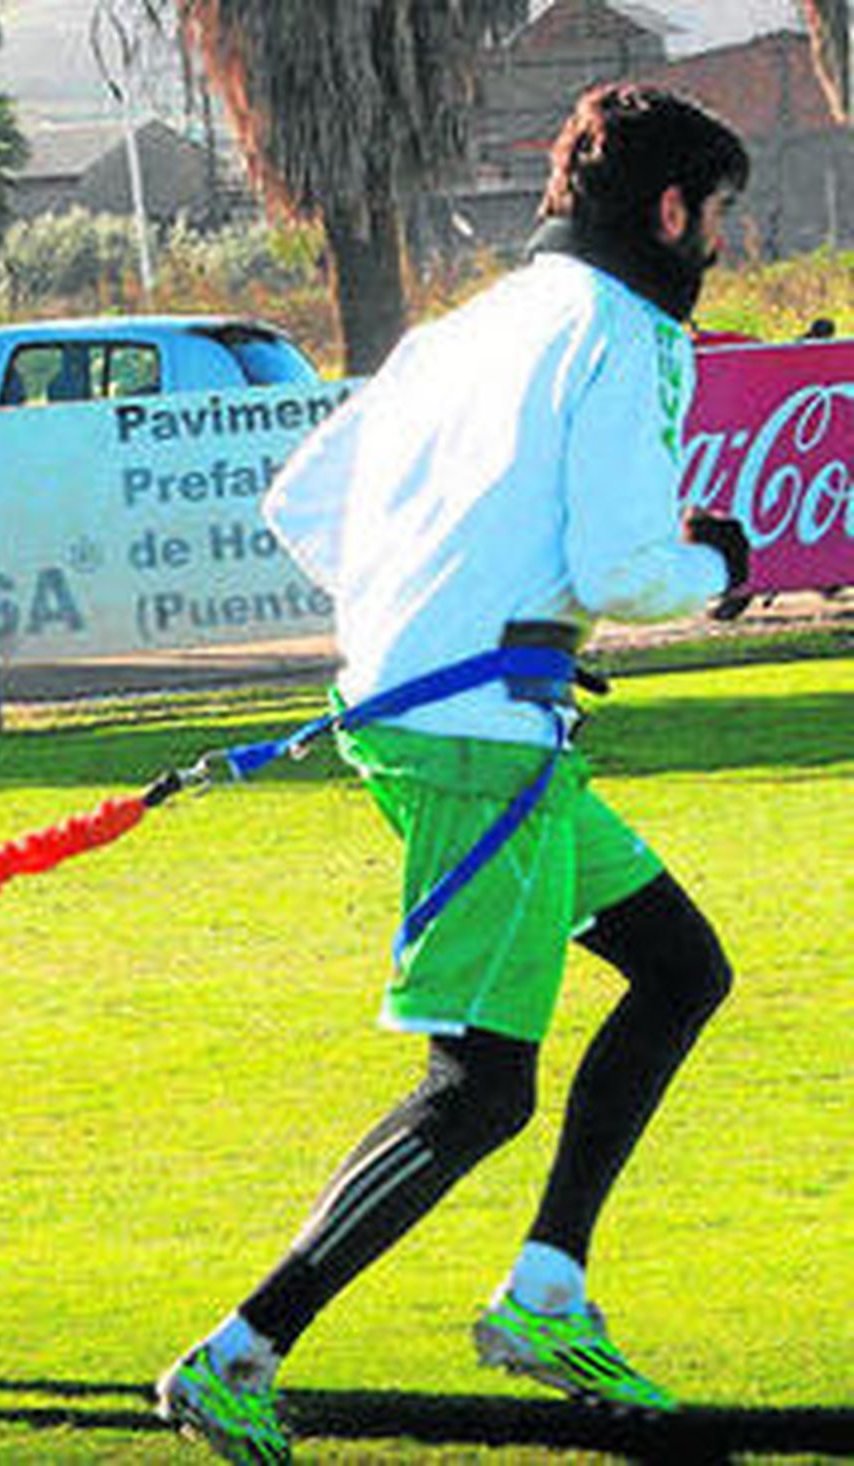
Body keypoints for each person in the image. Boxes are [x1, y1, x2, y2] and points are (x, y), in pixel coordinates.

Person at [156, 84, 752, 1463]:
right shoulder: (631, 330)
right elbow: (622, 567)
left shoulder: (463, 324)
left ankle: (547, 1288)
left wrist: (430, 624)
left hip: (453, 713)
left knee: (678, 967)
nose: (719, 243)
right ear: (670, 211)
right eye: (718, 214)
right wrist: (720, 566)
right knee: (479, 1083)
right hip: (484, 732)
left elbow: (300, 502)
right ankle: (237, 1353)